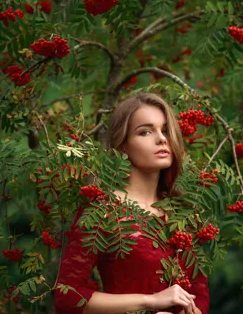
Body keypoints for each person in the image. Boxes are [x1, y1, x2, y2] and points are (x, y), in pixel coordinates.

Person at [54, 93, 210, 314]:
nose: (162, 139)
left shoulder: (182, 213)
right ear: (123, 146)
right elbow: (67, 297)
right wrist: (151, 301)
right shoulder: (103, 210)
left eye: (165, 130)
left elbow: (200, 294)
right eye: (145, 132)